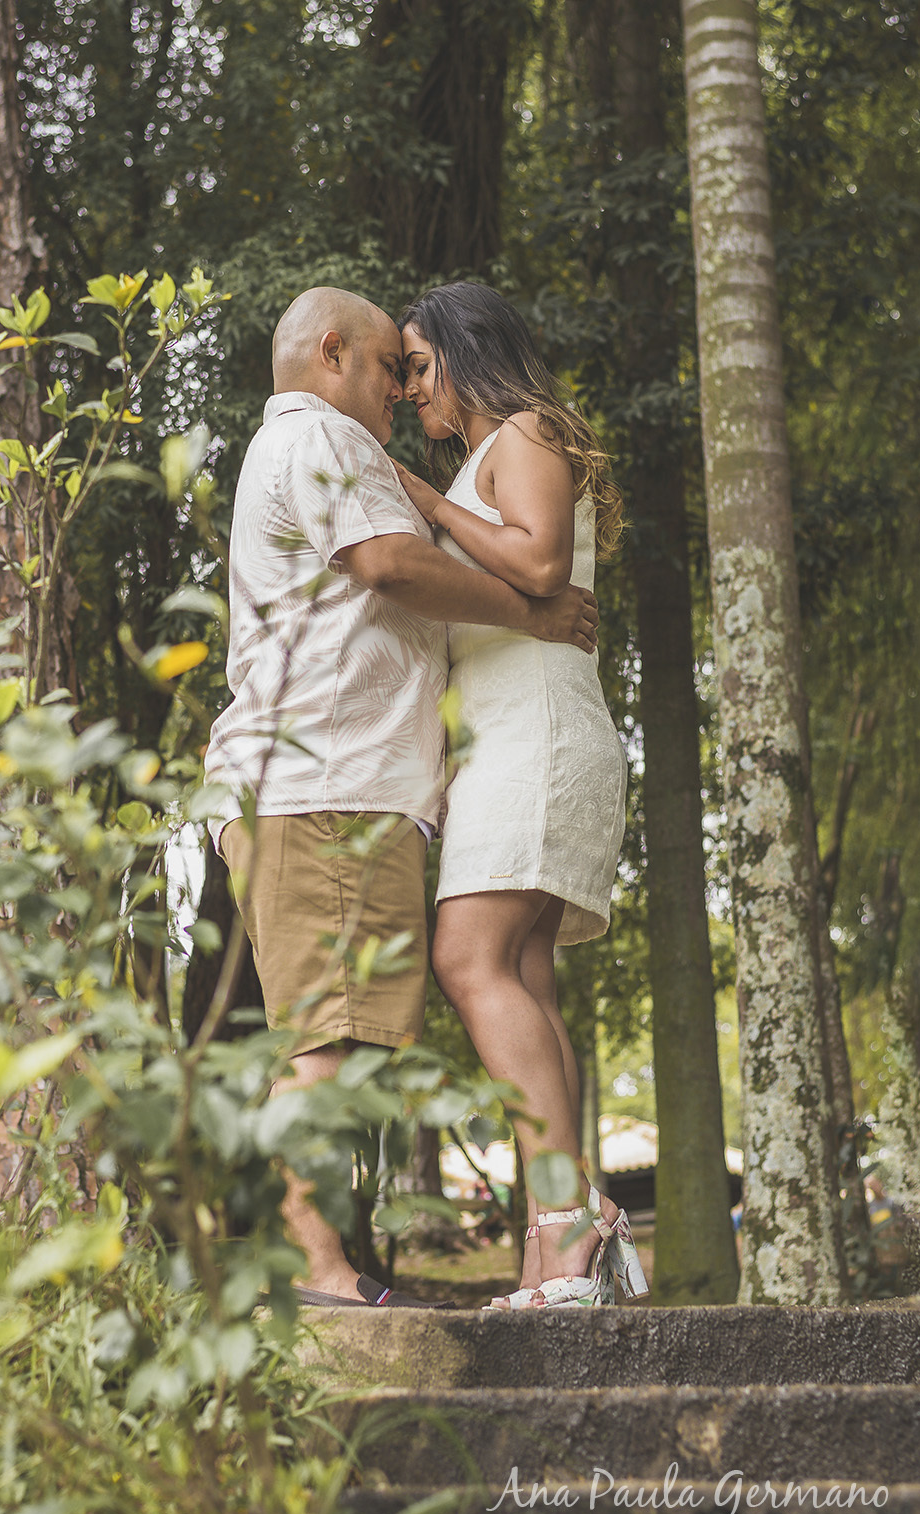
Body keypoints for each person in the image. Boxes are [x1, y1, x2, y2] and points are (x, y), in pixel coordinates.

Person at [203, 285, 600, 1308]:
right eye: (391, 366)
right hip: (324, 786)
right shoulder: (323, 439)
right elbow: (389, 564)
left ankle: (553, 1243)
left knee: (403, 1004)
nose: (399, 391)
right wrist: (530, 612)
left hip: (368, 781)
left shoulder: (487, 441)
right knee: (335, 1031)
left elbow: (440, 562)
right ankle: (323, 1270)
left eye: (416, 367)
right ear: (332, 353)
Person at [394, 281, 648, 1309]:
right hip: (511, 739)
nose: (410, 388)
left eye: (417, 365)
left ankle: (566, 1223)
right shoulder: (484, 460)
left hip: (539, 734)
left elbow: (542, 563)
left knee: (468, 958)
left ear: (463, 354)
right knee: (524, 980)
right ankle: (556, 1255)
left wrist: (421, 498)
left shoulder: (526, 431)